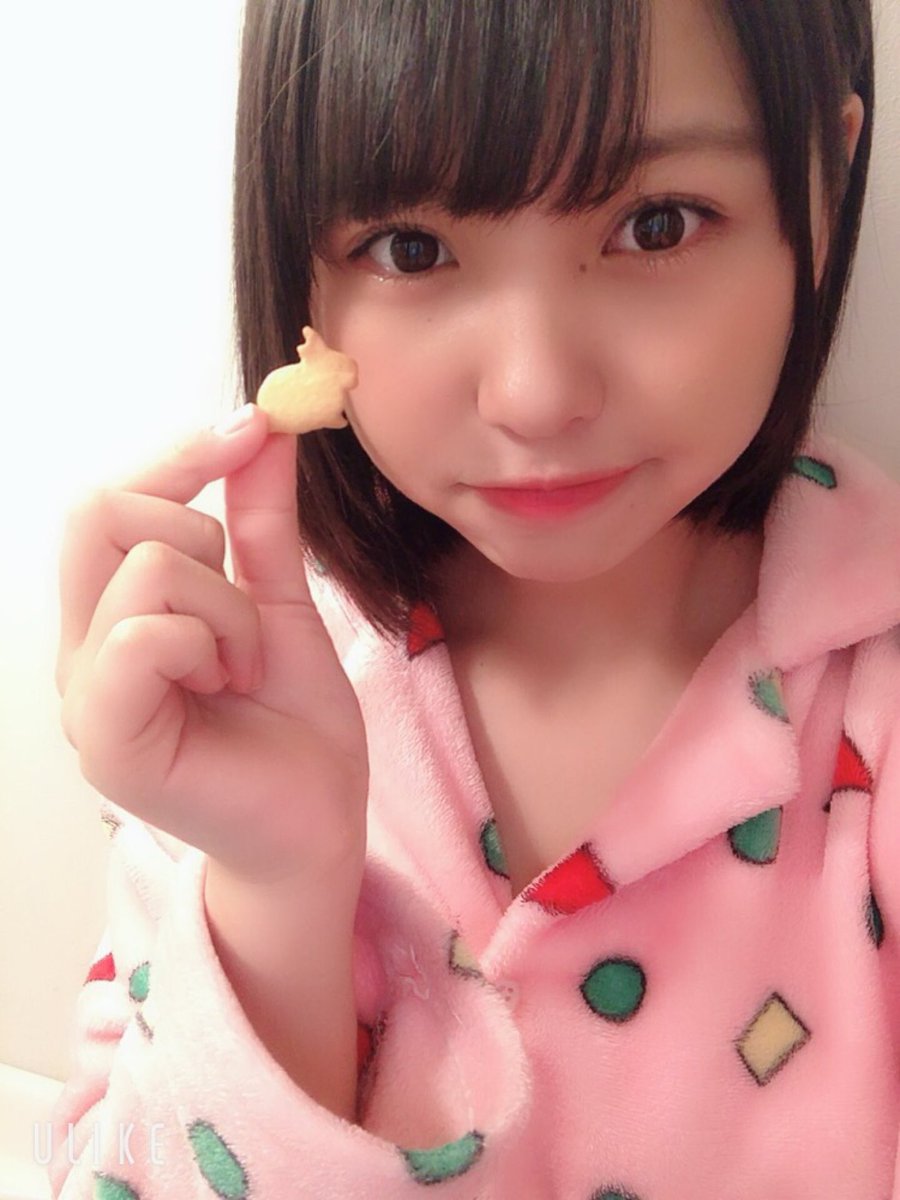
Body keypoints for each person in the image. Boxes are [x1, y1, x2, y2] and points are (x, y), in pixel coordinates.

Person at [47, 0, 897, 1195]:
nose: (534, 393)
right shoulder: (234, 691)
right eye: (411, 249)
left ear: (820, 183)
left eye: (656, 224)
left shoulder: (874, 703)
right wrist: (277, 893)